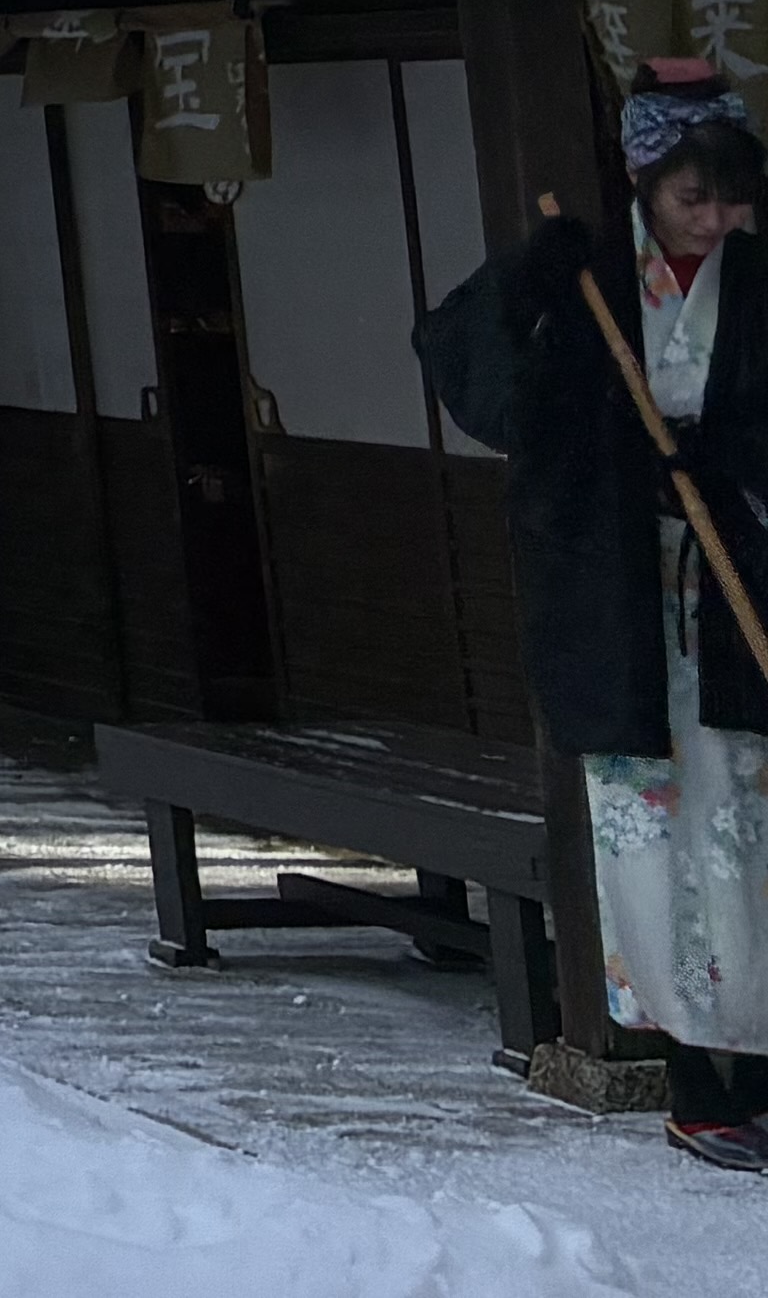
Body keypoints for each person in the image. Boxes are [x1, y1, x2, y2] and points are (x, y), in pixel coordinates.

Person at [420, 67, 768, 1174]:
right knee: (661, 850)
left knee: (753, 847)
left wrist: (727, 465)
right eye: (691, 200)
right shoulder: (592, 280)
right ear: (641, 185)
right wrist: (533, 284)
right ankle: (702, 1089)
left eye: (732, 198)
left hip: (744, 591)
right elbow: (483, 384)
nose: (716, 222)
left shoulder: (761, 281)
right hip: (628, 614)